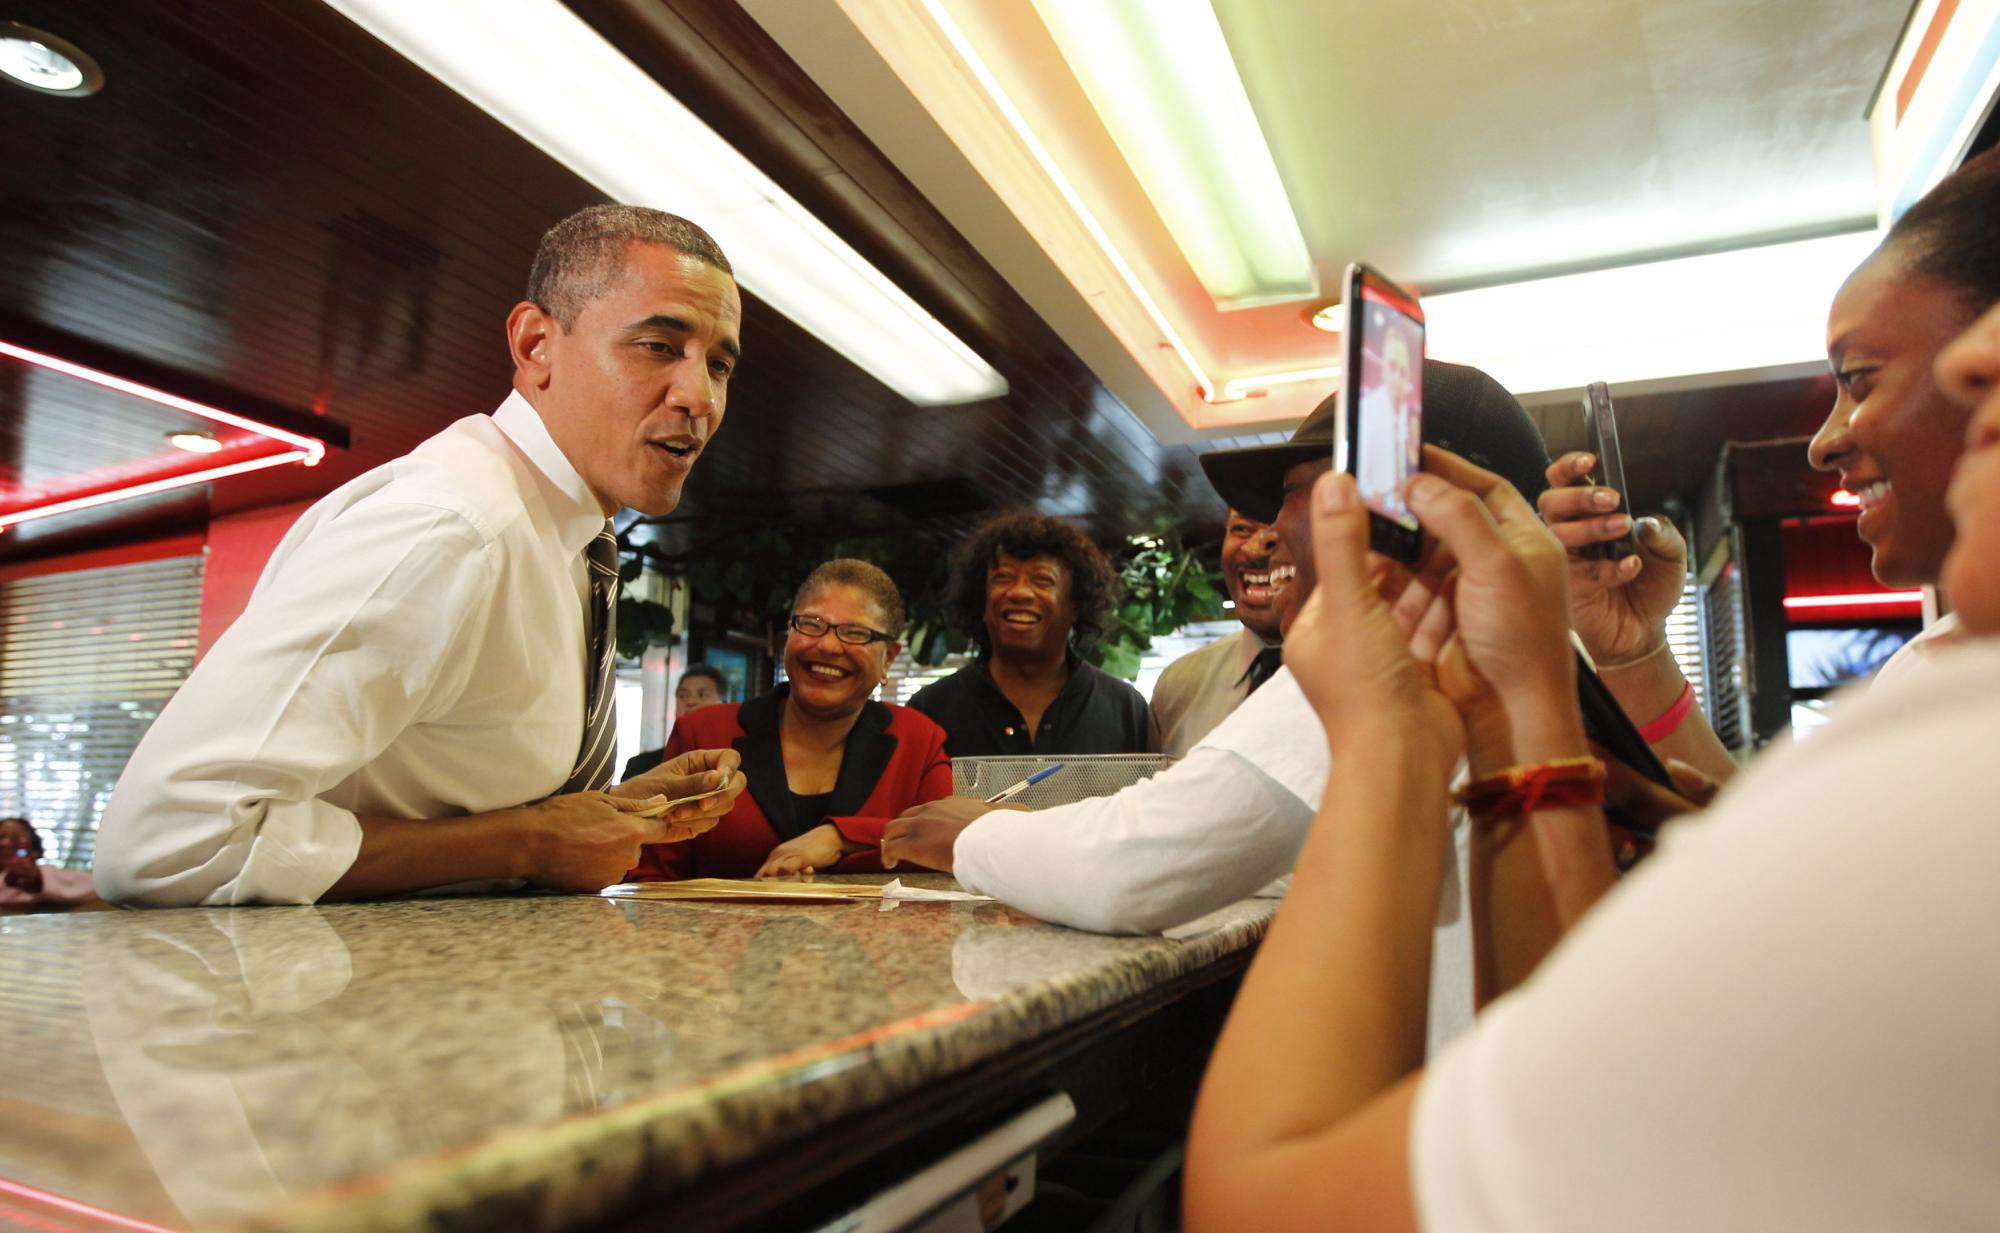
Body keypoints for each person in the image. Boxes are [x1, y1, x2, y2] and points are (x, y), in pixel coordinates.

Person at [1180, 296, 2000, 1233]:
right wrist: (1515, 701)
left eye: (1858, 378)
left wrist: (1390, 742)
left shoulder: (1966, 767)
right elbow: (1561, 1035)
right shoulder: (1935, 679)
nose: (1980, 360)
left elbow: (1268, 1208)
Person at [94, 205, 750, 907]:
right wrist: (527, 840)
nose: (699, 397)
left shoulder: (573, 538)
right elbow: (167, 839)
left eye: (718, 364)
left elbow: (446, 794)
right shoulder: (450, 529)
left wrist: (608, 811)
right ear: (535, 345)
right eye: (657, 346)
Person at [882, 362, 1553, 945]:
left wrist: (974, 835)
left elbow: (1134, 870)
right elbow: (1265, 850)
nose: (1271, 534)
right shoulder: (1533, 653)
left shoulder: (1385, 661)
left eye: (1293, 494)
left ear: (1402, 506)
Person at [626, 560, 952, 879]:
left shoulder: (918, 739)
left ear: (889, 658)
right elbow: (651, 874)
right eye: (810, 624)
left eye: (855, 633)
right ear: (789, 631)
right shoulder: (703, 732)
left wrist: (841, 838)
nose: (826, 644)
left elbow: (948, 841)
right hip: (715, 932)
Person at [906, 512, 1149, 757]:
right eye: (1003, 578)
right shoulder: (929, 711)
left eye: (1042, 581)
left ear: (1075, 605)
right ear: (980, 600)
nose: (1019, 592)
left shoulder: (1126, 710)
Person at [1147, 509, 1282, 759]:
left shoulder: (1368, 682)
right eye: (1242, 529)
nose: (1255, 548)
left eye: (1279, 528)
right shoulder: (1179, 685)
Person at [619, 664, 731, 782]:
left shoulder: (734, 763)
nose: (690, 701)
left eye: (702, 694)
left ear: (723, 704)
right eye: (683, 696)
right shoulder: (640, 767)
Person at [0, 816, 98, 907]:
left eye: (16, 838)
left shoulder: (49, 875)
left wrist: (40, 881)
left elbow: (94, 887)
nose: (6, 843)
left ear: (35, 851)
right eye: (1, 837)